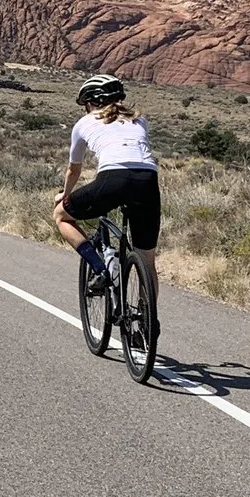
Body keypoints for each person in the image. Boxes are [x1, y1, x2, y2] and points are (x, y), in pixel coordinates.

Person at [52, 73, 161, 318]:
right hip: (147, 180)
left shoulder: (83, 123)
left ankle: (101, 269)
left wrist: (64, 195)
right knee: (147, 260)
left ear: (91, 102)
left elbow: (74, 169)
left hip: (113, 178)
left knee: (61, 216)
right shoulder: (139, 119)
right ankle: (147, 321)